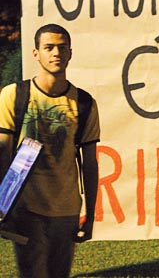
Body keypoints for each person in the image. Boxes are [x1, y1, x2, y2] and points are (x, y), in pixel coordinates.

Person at [0, 23, 100, 278]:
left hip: (66, 210)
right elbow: (3, 153)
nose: (56, 53)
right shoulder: (14, 95)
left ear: (70, 53)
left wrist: (90, 214)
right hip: (27, 209)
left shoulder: (84, 102)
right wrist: (4, 208)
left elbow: (89, 162)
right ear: (36, 53)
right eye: (48, 47)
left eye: (62, 47)